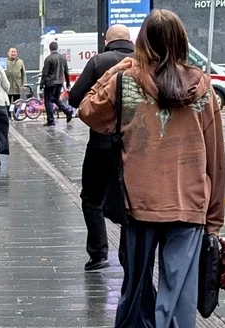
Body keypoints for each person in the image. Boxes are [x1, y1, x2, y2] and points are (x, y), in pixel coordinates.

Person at [78, 8, 225, 328]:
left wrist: (115, 69)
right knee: (178, 283)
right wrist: (214, 218)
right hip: (189, 201)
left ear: (142, 41)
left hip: (138, 199)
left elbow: (88, 110)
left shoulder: (127, 80)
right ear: (181, 43)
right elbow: (215, 157)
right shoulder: (203, 87)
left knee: (138, 275)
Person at [68, 25, 134, 272]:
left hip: (101, 144)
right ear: (130, 40)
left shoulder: (99, 62)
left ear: (107, 41)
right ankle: (129, 255)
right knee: (133, 202)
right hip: (136, 145)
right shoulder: (145, 62)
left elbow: (75, 99)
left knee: (91, 199)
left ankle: (98, 254)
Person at [40, 41, 75, 126]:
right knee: (55, 99)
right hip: (59, 82)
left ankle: (51, 120)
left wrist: (42, 84)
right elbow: (66, 72)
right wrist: (68, 83)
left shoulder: (48, 59)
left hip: (50, 83)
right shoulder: (62, 58)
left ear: (50, 48)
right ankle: (68, 111)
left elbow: (45, 73)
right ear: (57, 48)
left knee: (48, 101)